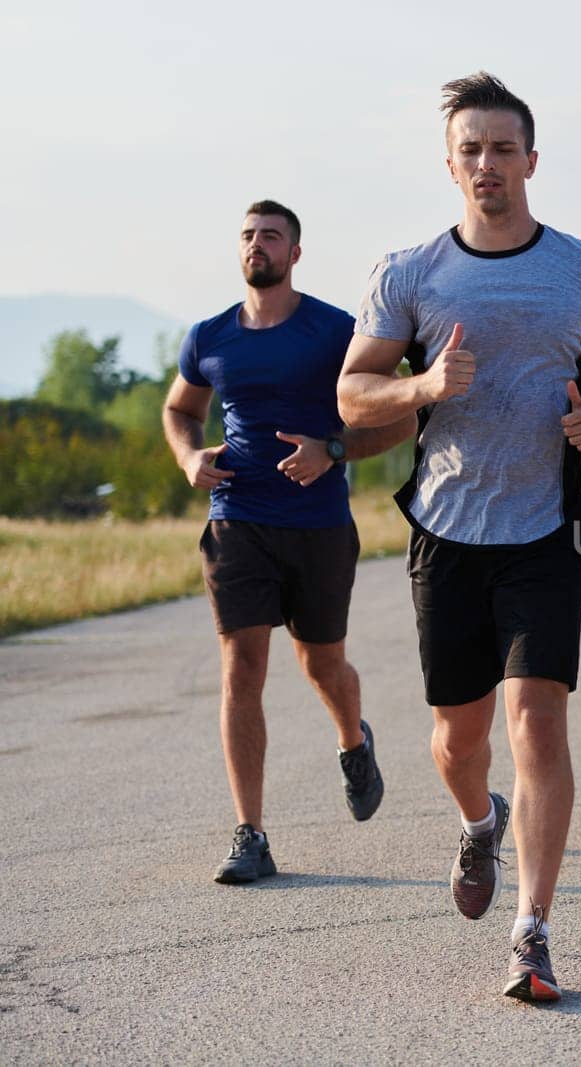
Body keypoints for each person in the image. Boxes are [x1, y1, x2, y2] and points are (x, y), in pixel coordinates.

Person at [337, 72, 581, 1005]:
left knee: (538, 721)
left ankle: (533, 930)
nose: (487, 163)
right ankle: (478, 821)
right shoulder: (409, 273)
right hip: (446, 530)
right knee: (456, 741)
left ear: (530, 159)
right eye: (469, 149)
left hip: (545, 530)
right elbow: (354, 396)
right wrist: (425, 388)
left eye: (502, 148)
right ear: (450, 163)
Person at [162, 199, 417, 886]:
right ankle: (251, 832)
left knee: (322, 666)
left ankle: (353, 740)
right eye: (247, 235)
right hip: (236, 517)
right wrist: (189, 458)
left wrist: (333, 448)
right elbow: (179, 409)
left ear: (294, 253)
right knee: (242, 667)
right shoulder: (210, 334)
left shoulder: (335, 330)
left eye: (271, 236)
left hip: (319, 527)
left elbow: (401, 414)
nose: (257, 245)